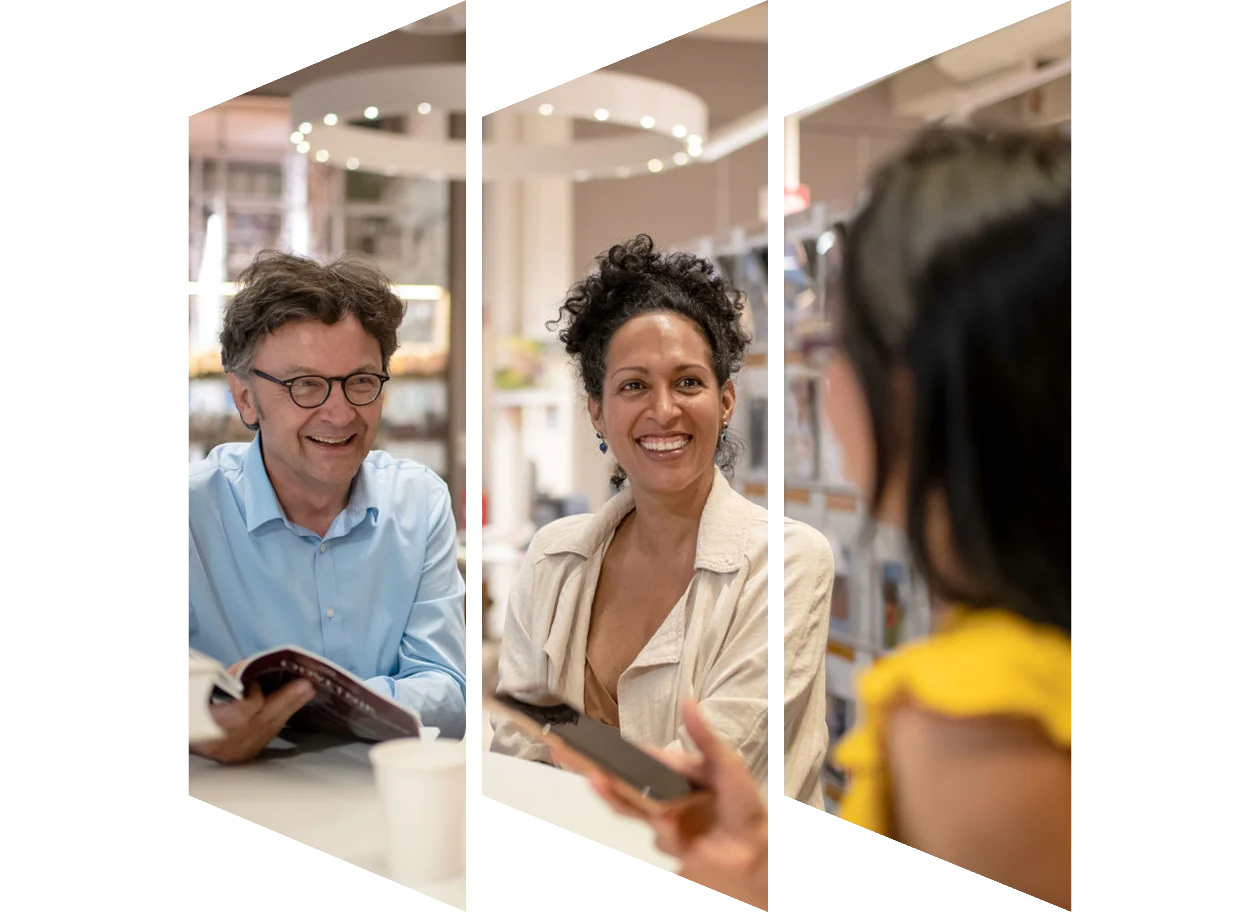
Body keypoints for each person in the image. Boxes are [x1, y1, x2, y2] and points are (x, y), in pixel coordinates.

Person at [576, 126, 1074, 910]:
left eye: (837, 342)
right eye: (631, 386)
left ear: (914, 384)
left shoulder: (986, 720)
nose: (824, 379)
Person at [489, 235, 832, 805]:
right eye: (634, 386)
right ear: (598, 412)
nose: (664, 409)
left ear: (725, 401)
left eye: (689, 382)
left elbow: (705, 776)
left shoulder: (787, 560)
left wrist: (561, 753)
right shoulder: (554, 555)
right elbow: (514, 750)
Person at [185, 250, 467, 763]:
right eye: (305, 385)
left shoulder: (420, 501)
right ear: (245, 398)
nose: (339, 414)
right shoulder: (192, 513)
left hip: (378, 807)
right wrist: (200, 722)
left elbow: (448, 695)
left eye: (361, 381)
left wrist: (315, 704)